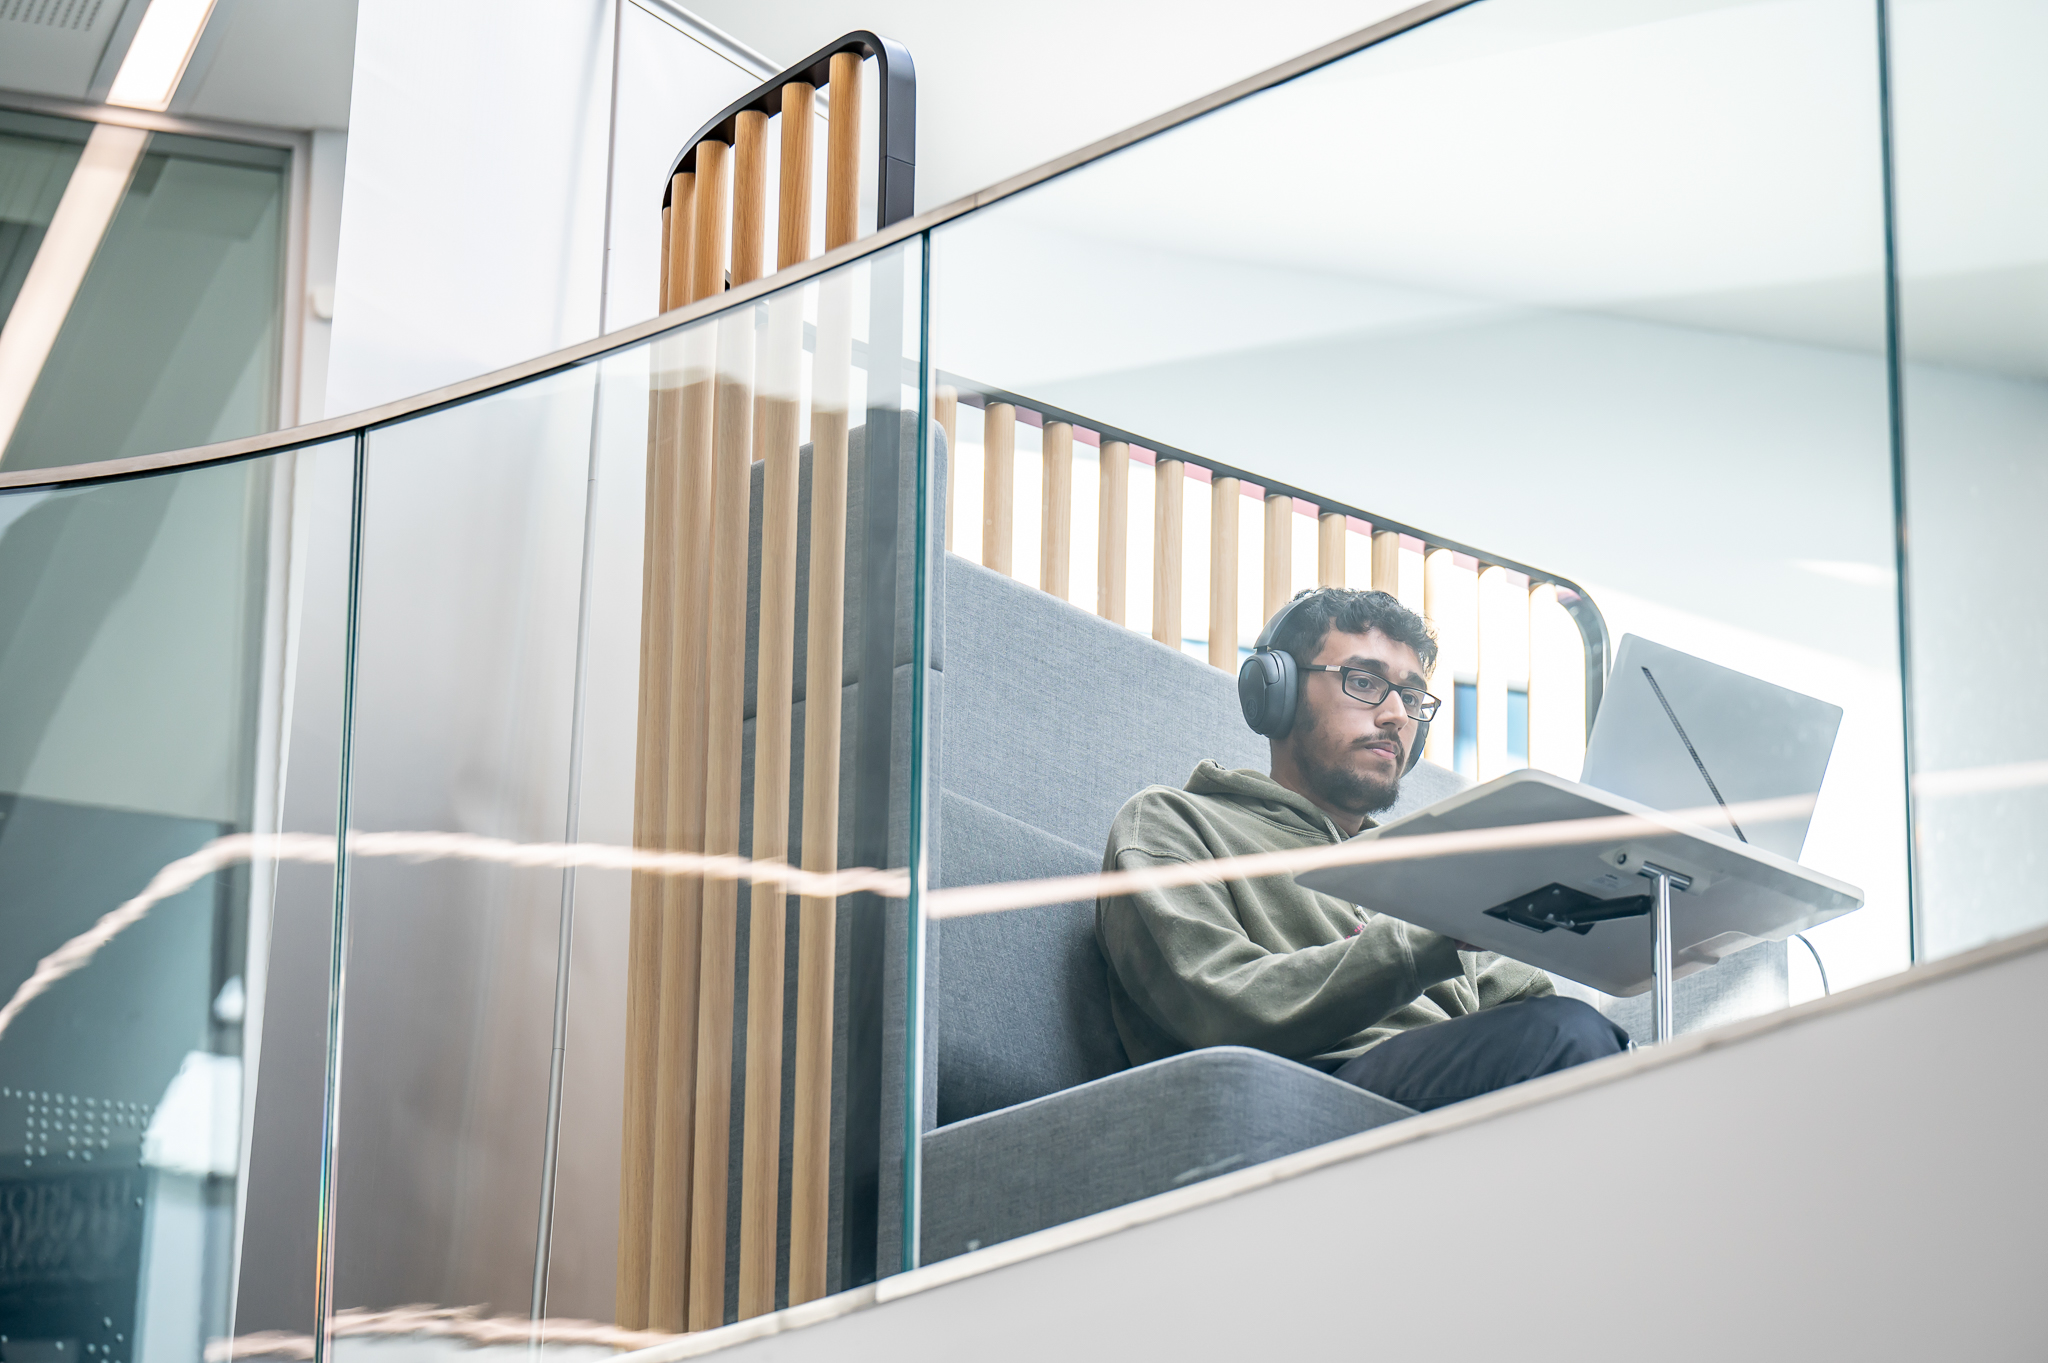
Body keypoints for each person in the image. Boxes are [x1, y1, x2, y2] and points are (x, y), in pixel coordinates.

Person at [1094, 586, 1627, 1112]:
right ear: (1275, 693)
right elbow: (1216, 1007)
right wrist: (1423, 937)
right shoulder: (1175, 823)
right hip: (1304, 1090)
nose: (1397, 714)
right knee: (1568, 1038)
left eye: (1413, 697)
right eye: (1365, 681)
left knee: (1631, 1066)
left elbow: (1525, 1008)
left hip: (1458, 1083)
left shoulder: (1422, 864)